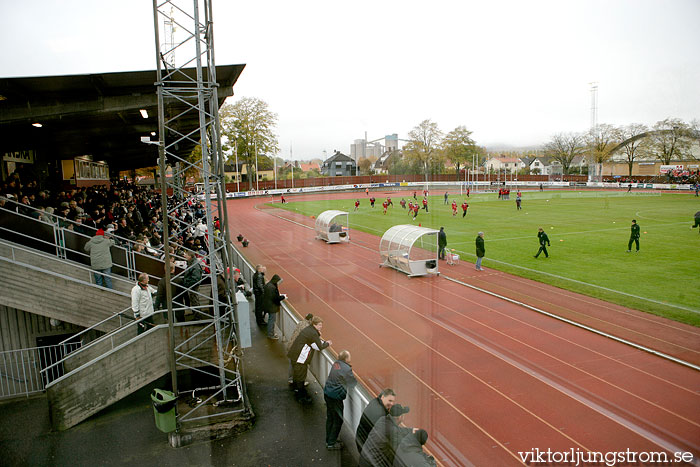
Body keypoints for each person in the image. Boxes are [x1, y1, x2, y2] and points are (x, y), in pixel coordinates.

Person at [287, 316, 330, 403]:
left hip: (294, 354)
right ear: (314, 325)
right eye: (319, 325)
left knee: (297, 374)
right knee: (301, 376)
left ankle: (297, 389)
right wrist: (328, 343)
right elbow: (319, 346)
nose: (321, 327)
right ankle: (301, 396)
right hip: (300, 358)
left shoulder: (309, 329)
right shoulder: (313, 333)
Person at [324, 350, 357, 450]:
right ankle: (331, 443)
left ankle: (329, 439)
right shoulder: (346, 369)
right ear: (346, 359)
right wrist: (350, 369)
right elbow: (352, 383)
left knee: (330, 417)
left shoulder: (336, 364)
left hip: (327, 393)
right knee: (338, 420)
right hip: (335, 397)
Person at [356, 388, 396, 453]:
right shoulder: (381, 415)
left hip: (360, 439)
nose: (392, 404)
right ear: (383, 397)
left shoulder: (375, 401)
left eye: (393, 402)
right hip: (366, 447)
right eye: (390, 401)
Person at [286, 313, 314, 384]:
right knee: (300, 365)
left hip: (291, 344)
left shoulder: (300, 323)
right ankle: (300, 381)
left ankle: (291, 378)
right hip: (297, 347)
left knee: (291, 363)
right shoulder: (307, 327)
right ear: (310, 320)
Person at [262, 274, 286, 339]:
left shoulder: (269, 285)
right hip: (271, 307)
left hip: (268, 305)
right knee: (271, 320)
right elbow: (275, 298)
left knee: (271, 320)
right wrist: (283, 297)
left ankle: (271, 333)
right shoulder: (272, 287)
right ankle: (270, 334)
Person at [182, 250, 202, 315]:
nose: (185, 256)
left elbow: (196, 278)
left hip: (193, 286)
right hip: (192, 285)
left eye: (186, 255)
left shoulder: (194, 265)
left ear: (190, 256)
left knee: (194, 300)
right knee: (194, 300)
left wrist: (187, 284)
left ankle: (197, 316)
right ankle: (196, 314)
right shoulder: (192, 263)